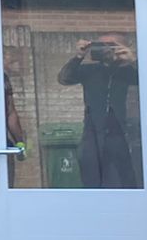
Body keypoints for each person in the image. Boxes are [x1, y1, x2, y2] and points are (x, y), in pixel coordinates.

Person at [57, 35, 139, 187]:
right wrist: (79, 56)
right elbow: (64, 78)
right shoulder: (91, 70)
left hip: (121, 132)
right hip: (93, 131)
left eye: (111, 45)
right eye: (102, 45)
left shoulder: (127, 71)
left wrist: (133, 60)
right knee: (91, 175)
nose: (106, 49)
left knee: (125, 177)